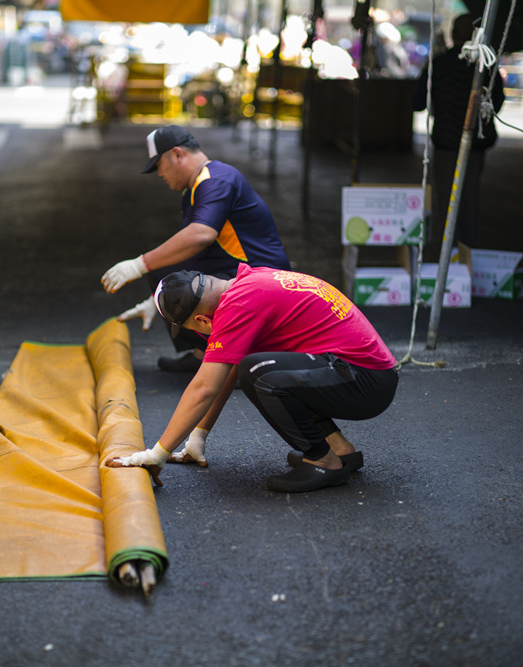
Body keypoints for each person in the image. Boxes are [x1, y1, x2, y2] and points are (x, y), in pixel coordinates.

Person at [107, 265, 399, 493]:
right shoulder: (247, 282)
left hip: (365, 382)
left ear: (201, 321)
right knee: (257, 368)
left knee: (260, 373)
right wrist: (198, 436)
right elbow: (224, 372)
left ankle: (323, 462)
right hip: (362, 373)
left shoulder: (238, 307)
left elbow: (204, 387)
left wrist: (157, 453)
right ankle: (339, 450)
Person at [102, 125, 290, 372]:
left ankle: (237, 362)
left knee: (167, 273)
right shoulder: (195, 189)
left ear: (178, 154)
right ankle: (202, 354)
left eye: (159, 165)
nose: (159, 173)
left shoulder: (216, 179)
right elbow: (195, 256)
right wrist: (157, 299)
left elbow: (201, 234)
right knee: (166, 276)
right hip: (238, 273)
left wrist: (139, 264)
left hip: (262, 280)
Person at [412, 13, 504, 249]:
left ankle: (444, 252)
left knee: (445, 199)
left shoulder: (439, 63)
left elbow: (417, 103)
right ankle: (467, 252)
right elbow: (498, 102)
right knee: (469, 199)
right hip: (474, 145)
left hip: (445, 143)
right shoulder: (486, 63)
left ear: (453, 34)